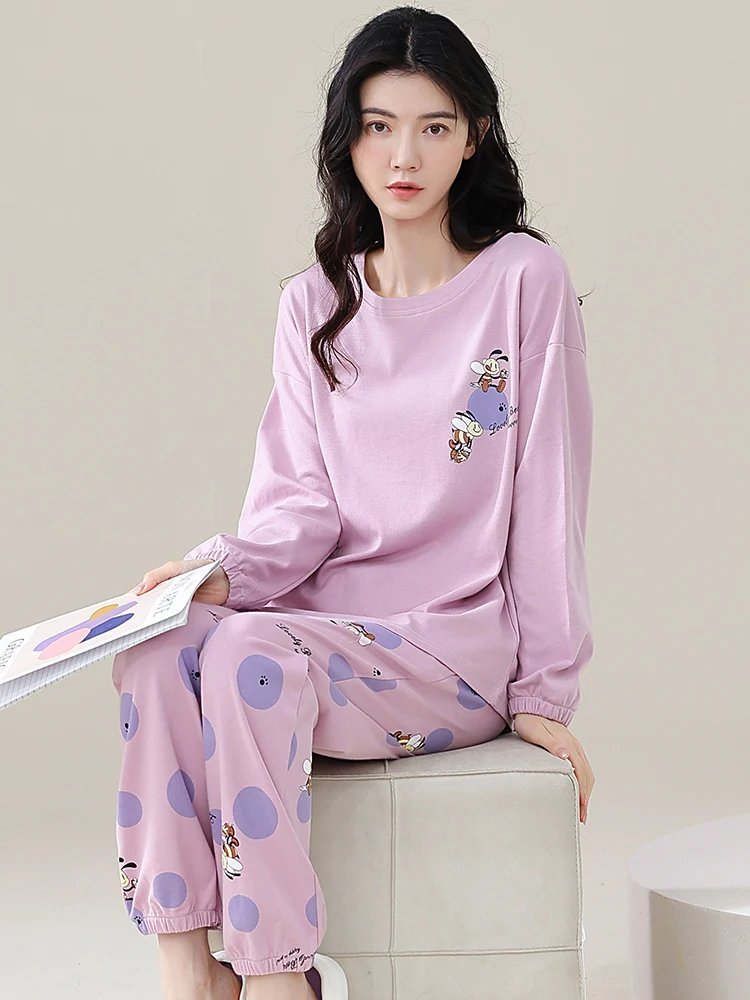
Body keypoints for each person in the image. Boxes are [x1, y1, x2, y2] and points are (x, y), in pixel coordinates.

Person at [111, 7, 596, 999]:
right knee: (157, 646)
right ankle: (187, 964)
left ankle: (277, 974)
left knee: (245, 654)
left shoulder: (523, 281)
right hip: (323, 633)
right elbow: (302, 508)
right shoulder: (314, 301)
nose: (403, 156)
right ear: (349, 137)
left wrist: (545, 696)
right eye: (379, 126)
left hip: (450, 646)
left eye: (433, 126)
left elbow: (548, 497)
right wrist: (216, 574)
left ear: (475, 136)